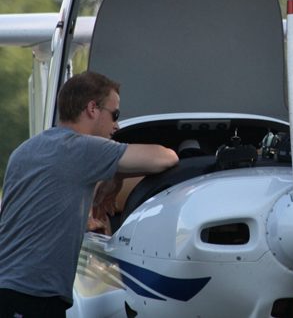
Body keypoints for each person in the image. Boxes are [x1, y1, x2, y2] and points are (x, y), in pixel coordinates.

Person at [0, 71, 179, 318]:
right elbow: (164, 158)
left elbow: (30, 211)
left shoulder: (25, 150)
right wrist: (117, 175)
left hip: (9, 290)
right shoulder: (83, 148)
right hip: (34, 297)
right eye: (115, 115)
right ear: (92, 109)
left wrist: (82, 222)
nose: (117, 125)